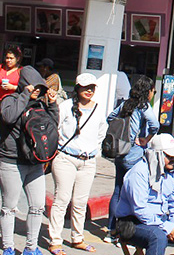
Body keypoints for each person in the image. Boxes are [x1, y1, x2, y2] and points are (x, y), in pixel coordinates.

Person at [0, 66, 59, 255]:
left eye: (40, 88)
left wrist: (52, 105)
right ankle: (8, 247)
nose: (36, 91)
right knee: (9, 207)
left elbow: (52, 126)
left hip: (34, 163)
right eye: (34, 87)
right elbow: (8, 117)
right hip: (11, 161)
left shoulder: (40, 104)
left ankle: (31, 248)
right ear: (24, 85)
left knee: (37, 206)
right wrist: (25, 94)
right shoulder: (10, 100)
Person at [114, 134, 174, 255]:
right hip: (133, 222)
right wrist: (166, 227)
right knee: (158, 237)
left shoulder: (172, 171)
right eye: (169, 156)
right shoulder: (138, 173)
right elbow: (139, 209)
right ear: (156, 155)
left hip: (160, 219)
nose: (173, 159)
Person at [48, 73, 108, 254]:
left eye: (92, 87)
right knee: (62, 200)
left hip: (88, 161)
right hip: (66, 158)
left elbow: (101, 134)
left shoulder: (98, 109)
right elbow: (55, 129)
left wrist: (93, 152)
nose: (89, 90)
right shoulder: (65, 107)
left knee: (80, 202)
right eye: (85, 87)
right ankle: (55, 241)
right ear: (78, 88)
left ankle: (77, 238)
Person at [107, 75, 160, 243]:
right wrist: (145, 139)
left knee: (117, 190)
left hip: (119, 152)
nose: (153, 93)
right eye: (153, 90)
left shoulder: (126, 103)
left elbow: (110, 118)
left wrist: (122, 132)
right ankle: (126, 232)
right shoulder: (143, 106)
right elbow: (155, 125)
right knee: (131, 192)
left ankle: (111, 230)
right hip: (133, 154)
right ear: (148, 91)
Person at [0, 44, 22, 147]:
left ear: (17, 59)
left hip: (11, 105)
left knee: (7, 132)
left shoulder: (21, 71)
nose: (8, 60)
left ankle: (4, 153)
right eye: (7, 58)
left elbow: (23, 88)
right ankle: (1, 149)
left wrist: (12, 87)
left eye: (11, 58)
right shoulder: (0, 67)